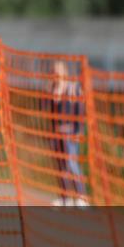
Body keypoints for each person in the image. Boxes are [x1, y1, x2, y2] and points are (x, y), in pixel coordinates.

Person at [48, 61, 88, 207]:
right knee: (61, 166)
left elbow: (80, 110)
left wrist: (78, 130)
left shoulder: (73, 89)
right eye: (54, 72)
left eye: (58, 71)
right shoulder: (52, 90)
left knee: (72, 164)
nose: (56, 75)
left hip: (71, 133)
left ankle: (81, 196)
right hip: (57, 134)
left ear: (64, 72)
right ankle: (65, 198)